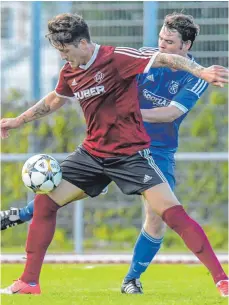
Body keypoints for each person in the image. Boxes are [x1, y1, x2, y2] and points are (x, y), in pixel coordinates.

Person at [0, 13, 228, 296]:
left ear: (83, 43)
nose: (62, 57)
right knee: (46, 203)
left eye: (65, 51)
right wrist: (17, 121)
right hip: (92, 154)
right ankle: (29, 282)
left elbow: (168, 67)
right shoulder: (71, 70)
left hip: (132, 154)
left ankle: (221, 279)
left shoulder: (118, 57)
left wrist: (200, 71)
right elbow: (56, 98)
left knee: (171, 213)